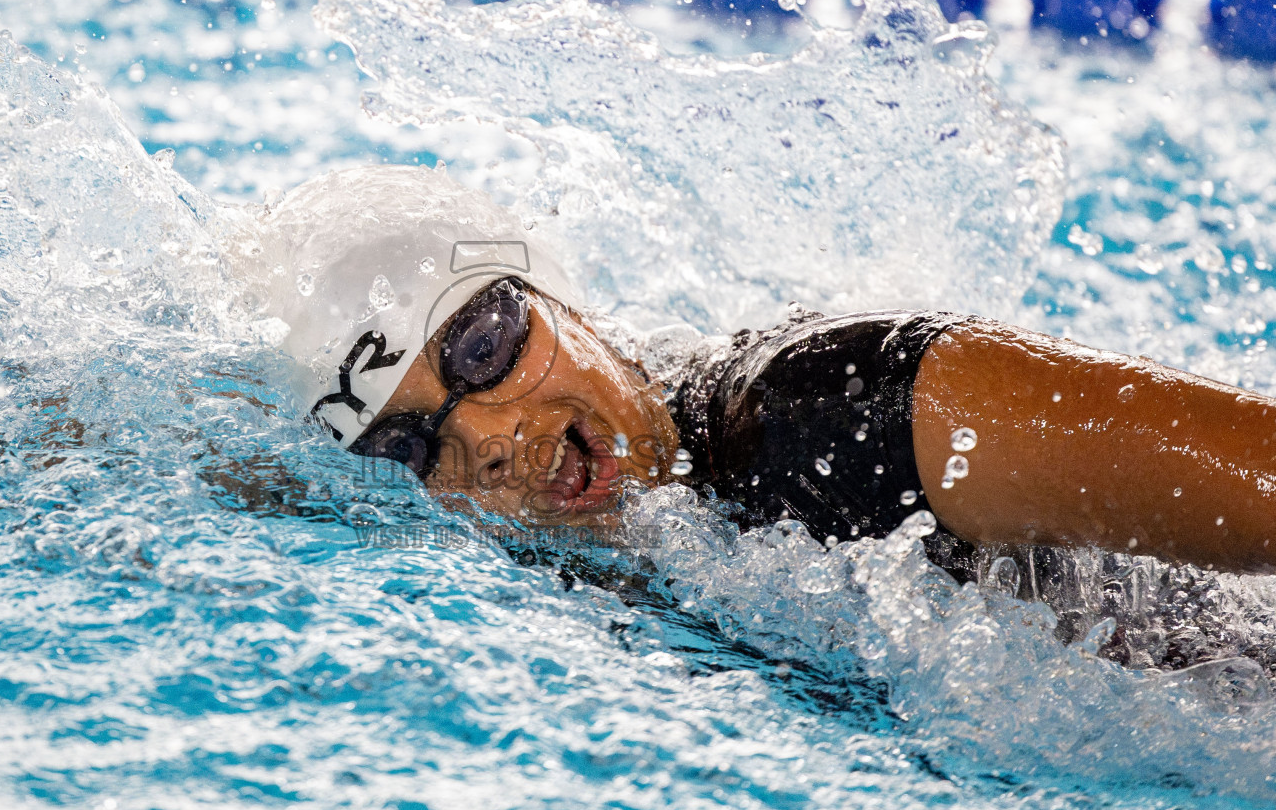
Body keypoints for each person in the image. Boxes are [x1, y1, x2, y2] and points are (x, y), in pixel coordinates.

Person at [261, 165, 1276, 578]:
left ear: (557, 293)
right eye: (410, 443)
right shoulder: (564, 560)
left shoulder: (846, 411)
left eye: (481, 348)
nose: (481, 441)